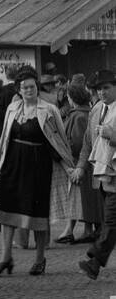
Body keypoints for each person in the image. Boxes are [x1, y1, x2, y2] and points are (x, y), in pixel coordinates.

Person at [0, 67, 74, 277]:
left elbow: (58, 141)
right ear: (19, 90)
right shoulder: (12, 109)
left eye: (32, 86)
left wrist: (68, 166)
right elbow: (4, 139)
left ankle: (39, 259)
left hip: (38, 167)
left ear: (37, 88)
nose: (28, 90)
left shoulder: (49, 110)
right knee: (6, 209)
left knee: (38, 214)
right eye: (24, 87)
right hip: (11, 165)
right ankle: (6, 257)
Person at [77, 69, 116, 280]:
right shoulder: (97, 109)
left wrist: (113, 135)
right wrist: (82, 167)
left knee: (111, 220)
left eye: (106, 88)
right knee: (109, 220)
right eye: (99, 89)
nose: (102, 92)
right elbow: (87, 141)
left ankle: (94, 261)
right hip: (102, 174)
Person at [55, 83, 99, 245]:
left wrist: (64, 146)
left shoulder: (78, 116)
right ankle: (78, 230)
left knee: (81, 199)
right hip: (83, 164)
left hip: (78, 163)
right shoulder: (85, 113)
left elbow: (80, 143)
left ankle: (81, 231)